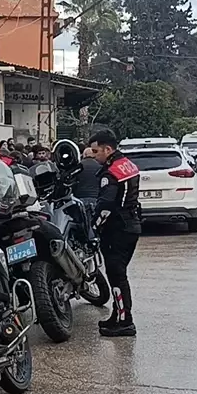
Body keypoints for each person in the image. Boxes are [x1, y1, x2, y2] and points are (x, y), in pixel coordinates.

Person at [89, 129, 140, 338]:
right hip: (131, 223)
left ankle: (125, 321)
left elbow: (106, 205)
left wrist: (95, 227)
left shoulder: (111, 173)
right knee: (118, 274)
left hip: (118, 229)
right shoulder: (127, 164)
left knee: (116, 275)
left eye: (95, 151)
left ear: (107, 149)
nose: (93, 155)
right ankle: (118, 314)